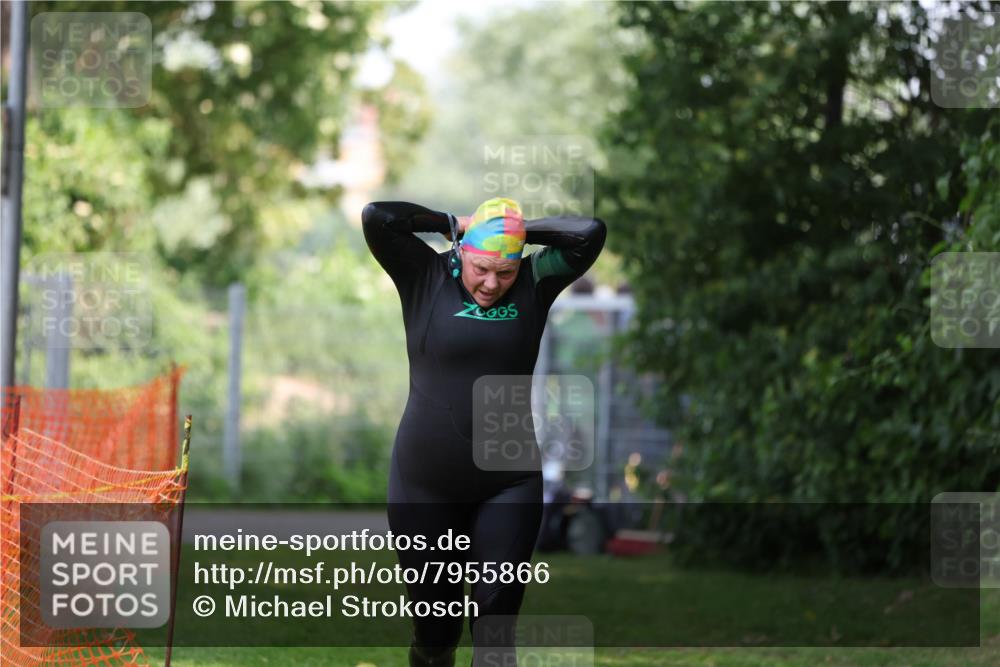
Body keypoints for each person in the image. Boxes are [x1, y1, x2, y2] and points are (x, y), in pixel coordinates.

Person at [361, 197, 607, 666]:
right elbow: (379, 217)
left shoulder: (536, 281)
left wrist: (513, 230)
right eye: (481, 268)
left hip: (508, 480)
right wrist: (455, 224)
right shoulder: (424, 275)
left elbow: (589, 233)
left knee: (496, 621)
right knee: (435, 633)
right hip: (425, 484)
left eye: (505, 271)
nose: (492, 283)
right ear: (460, 253)